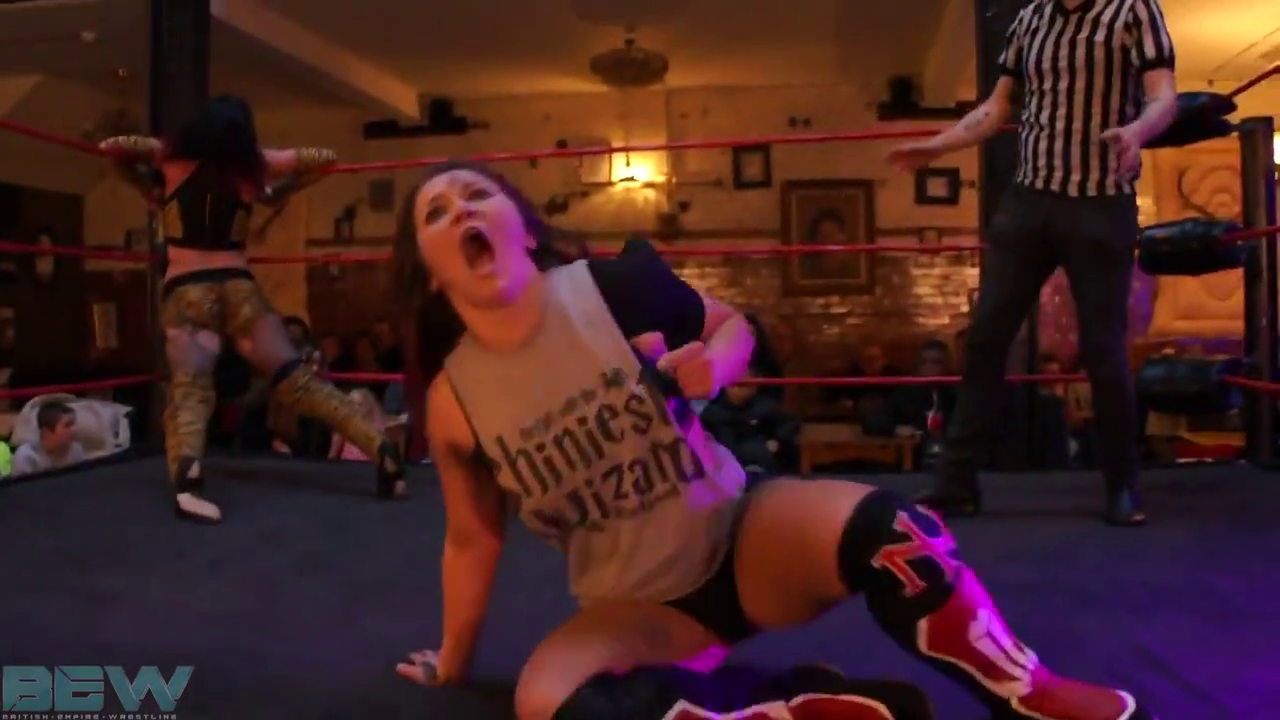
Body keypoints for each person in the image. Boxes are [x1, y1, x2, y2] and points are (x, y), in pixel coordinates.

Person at [387, 161, 1155, 720]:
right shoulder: (457, 403)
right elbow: (473, 539)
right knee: (546, 702)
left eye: (477, 195)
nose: (461, 211)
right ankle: (795, 706)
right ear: (429, 272)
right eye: (436, 212)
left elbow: (734, 328)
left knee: (899, 532)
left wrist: (714, 367)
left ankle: (1028, 695)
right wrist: (453, 661)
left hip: (744, 536)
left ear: (524, 226)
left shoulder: (610, 289)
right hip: (638, 605)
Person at [886, 0, 1177, 525]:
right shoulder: (1030, 19)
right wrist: (937, 146)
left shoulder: (1132, 10)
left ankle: (1122, 484)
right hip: (1029, 203)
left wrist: (1136, 132)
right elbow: (996, 108)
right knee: (986, 335)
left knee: (1103, 348)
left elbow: (1164, 98)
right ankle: (957, 481)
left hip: (1099, 202)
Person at [99, 94, 405, 524]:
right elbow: (324, 160)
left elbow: (112, 149)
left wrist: (153, 165)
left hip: (188, 290)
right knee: (298, 382)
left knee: (190, 389)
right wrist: (274, 189)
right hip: (239, 288)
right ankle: (381, 446)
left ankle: (188, 480)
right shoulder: (250, 169)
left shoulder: (172, 162)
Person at [11, 400, 85, 476]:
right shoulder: (26, 457)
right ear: (46, 433)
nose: (74, 429)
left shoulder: (76, 449)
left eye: (74, 424)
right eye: (67, 425)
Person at [328, 388, 391, 461]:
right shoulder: (344, 424)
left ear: (369, 406)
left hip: (368, 464)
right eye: (352, 404)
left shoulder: (378, 426)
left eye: (360, 405)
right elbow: (332, 454)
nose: (355, 408)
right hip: (347, 464)